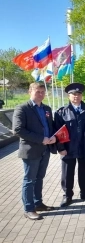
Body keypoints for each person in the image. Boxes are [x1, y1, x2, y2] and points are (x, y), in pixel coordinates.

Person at [12, 82, 57, 220]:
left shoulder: (46, 108)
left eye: (43, 92)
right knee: (29, 180)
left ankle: (38, 203)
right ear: (30, 91)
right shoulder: (22, 108)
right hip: (31, 150)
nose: (41, 94)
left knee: (39, 178)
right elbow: (18, 130)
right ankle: (29, 209)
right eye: (38, 91)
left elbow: (50, 127)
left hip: (45, 149)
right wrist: (41, 139)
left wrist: (53, 137)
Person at [54, 83, 85, 207]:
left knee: (84, 171)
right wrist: (60, 148)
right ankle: (67, 195)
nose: (76, 96)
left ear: (82, 95)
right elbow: (57, 131)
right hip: (68, 148)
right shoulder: (61, 112)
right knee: (67, 173)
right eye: (73, 94)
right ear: (68, 96)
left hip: (84, 148)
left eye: (78, 94)